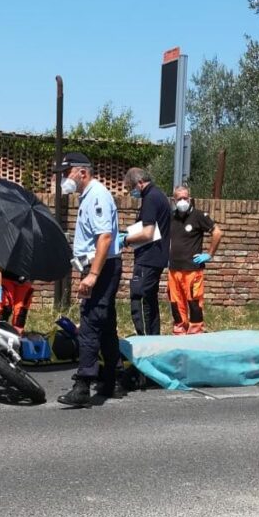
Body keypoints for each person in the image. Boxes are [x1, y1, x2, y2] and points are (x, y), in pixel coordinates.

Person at [57, 152, 123, 407]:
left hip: (102, 268)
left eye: (66, 172)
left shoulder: (97, 195)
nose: (64, 178)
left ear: (81, 172)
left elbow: (104, 238)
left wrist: (93, 274)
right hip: (100, 266)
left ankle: (83, 384)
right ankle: (113, 379)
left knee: (90, 324)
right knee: (105, 324)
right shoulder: (89, 196)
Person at [121, 167, 171, 336]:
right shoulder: (159, 195)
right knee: (150, 299)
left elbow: (147, 233)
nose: (131, 192)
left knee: (138, 296)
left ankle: (144, 337)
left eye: (131, 188)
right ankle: (153, 336)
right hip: (157, 257)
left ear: (140, 183)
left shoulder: (150, 198)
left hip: (148, 258)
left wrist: (126, 239)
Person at [167, 185, 223, 334]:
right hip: (173, 269)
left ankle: (195, 332)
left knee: (194, 303)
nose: (183, 201)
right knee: (176, 303)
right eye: (179, 199)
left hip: (192, 269)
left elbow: (217, 233)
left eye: (185, 198)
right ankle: (179, 331)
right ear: (174, 200)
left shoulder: (199, 216)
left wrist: (209, 254)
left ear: (190, 198)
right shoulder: (171, 217)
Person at [0, 266, 33, 334]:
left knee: (21, 312)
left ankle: (17, 335)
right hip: (5, 277)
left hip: (25, 279)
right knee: (6, 308)